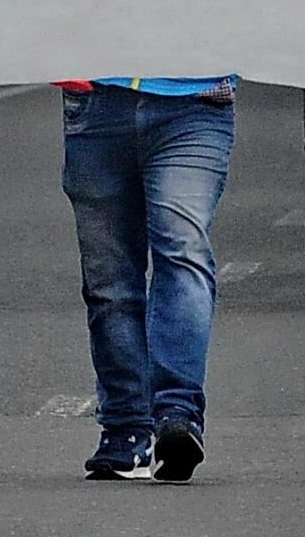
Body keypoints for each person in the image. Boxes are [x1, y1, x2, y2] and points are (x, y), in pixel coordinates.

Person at [60, 75, 238, 483]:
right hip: (97, 104)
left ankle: (178, 414)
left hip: (194, 105)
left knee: (182, 248)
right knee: (109, 282)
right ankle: (126, 429)